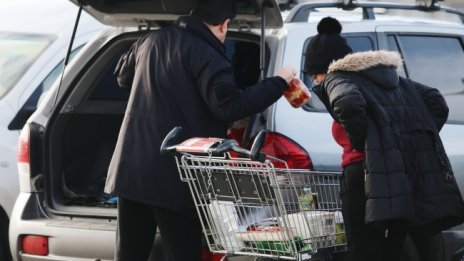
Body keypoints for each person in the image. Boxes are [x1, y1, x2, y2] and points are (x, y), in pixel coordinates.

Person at [104, 0, 296, 260]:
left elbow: (122, 78)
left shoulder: (150, 40)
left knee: (129, 252)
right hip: (175, 173)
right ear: (224, 24)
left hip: (131, 168)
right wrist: (279, 82)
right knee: (182, 253)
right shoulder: (208, 55)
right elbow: (229, 106)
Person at [305, 17, 464, 261]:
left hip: (363, 177)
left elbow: (347, 103)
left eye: (314, 75)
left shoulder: (337, 77)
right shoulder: (390, 80)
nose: (315, 82)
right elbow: (436, 101)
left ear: (325, 68)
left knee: (363, 251)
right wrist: (403, 141)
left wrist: (364, 143)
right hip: (398, 176)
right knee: (391, 250)